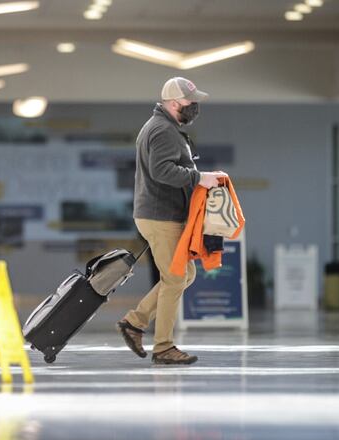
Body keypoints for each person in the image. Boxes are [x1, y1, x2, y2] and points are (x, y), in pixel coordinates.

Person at [116, 77, 227, 365]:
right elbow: (162, 171)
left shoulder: (164, 127)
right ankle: (163, 346)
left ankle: (134, 321)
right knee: (175, 277)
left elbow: (170, 167)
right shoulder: (163, 130)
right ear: (175, 103)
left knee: (184, 275)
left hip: (160, 214)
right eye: (192, 102)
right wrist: (199, 177)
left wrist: (198, 176)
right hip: (160, 216)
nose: (196, 107)